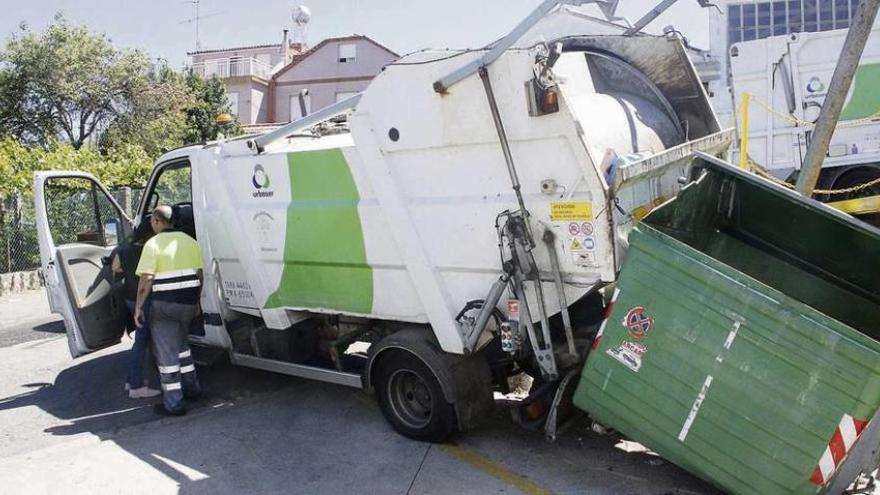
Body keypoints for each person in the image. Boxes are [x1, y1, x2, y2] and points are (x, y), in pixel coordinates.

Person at [134, 205, 203, 416]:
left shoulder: (153, 244)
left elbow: (146, 279)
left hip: (165, 306)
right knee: (182, 346)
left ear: (156, 221)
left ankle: (174, 404)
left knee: (167, 357)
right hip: (189, 305)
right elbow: (200, 274)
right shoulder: (192, 242)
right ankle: (192, 389)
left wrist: (138, 307)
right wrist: (198, 302)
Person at [111, 230, 161, 399]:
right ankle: (135, 386)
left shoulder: (124, 249)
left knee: (141, 340)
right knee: (141, 342)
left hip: (129, 298)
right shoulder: (150, 249)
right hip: (144, 298)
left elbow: (115, 267)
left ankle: (131, 379)